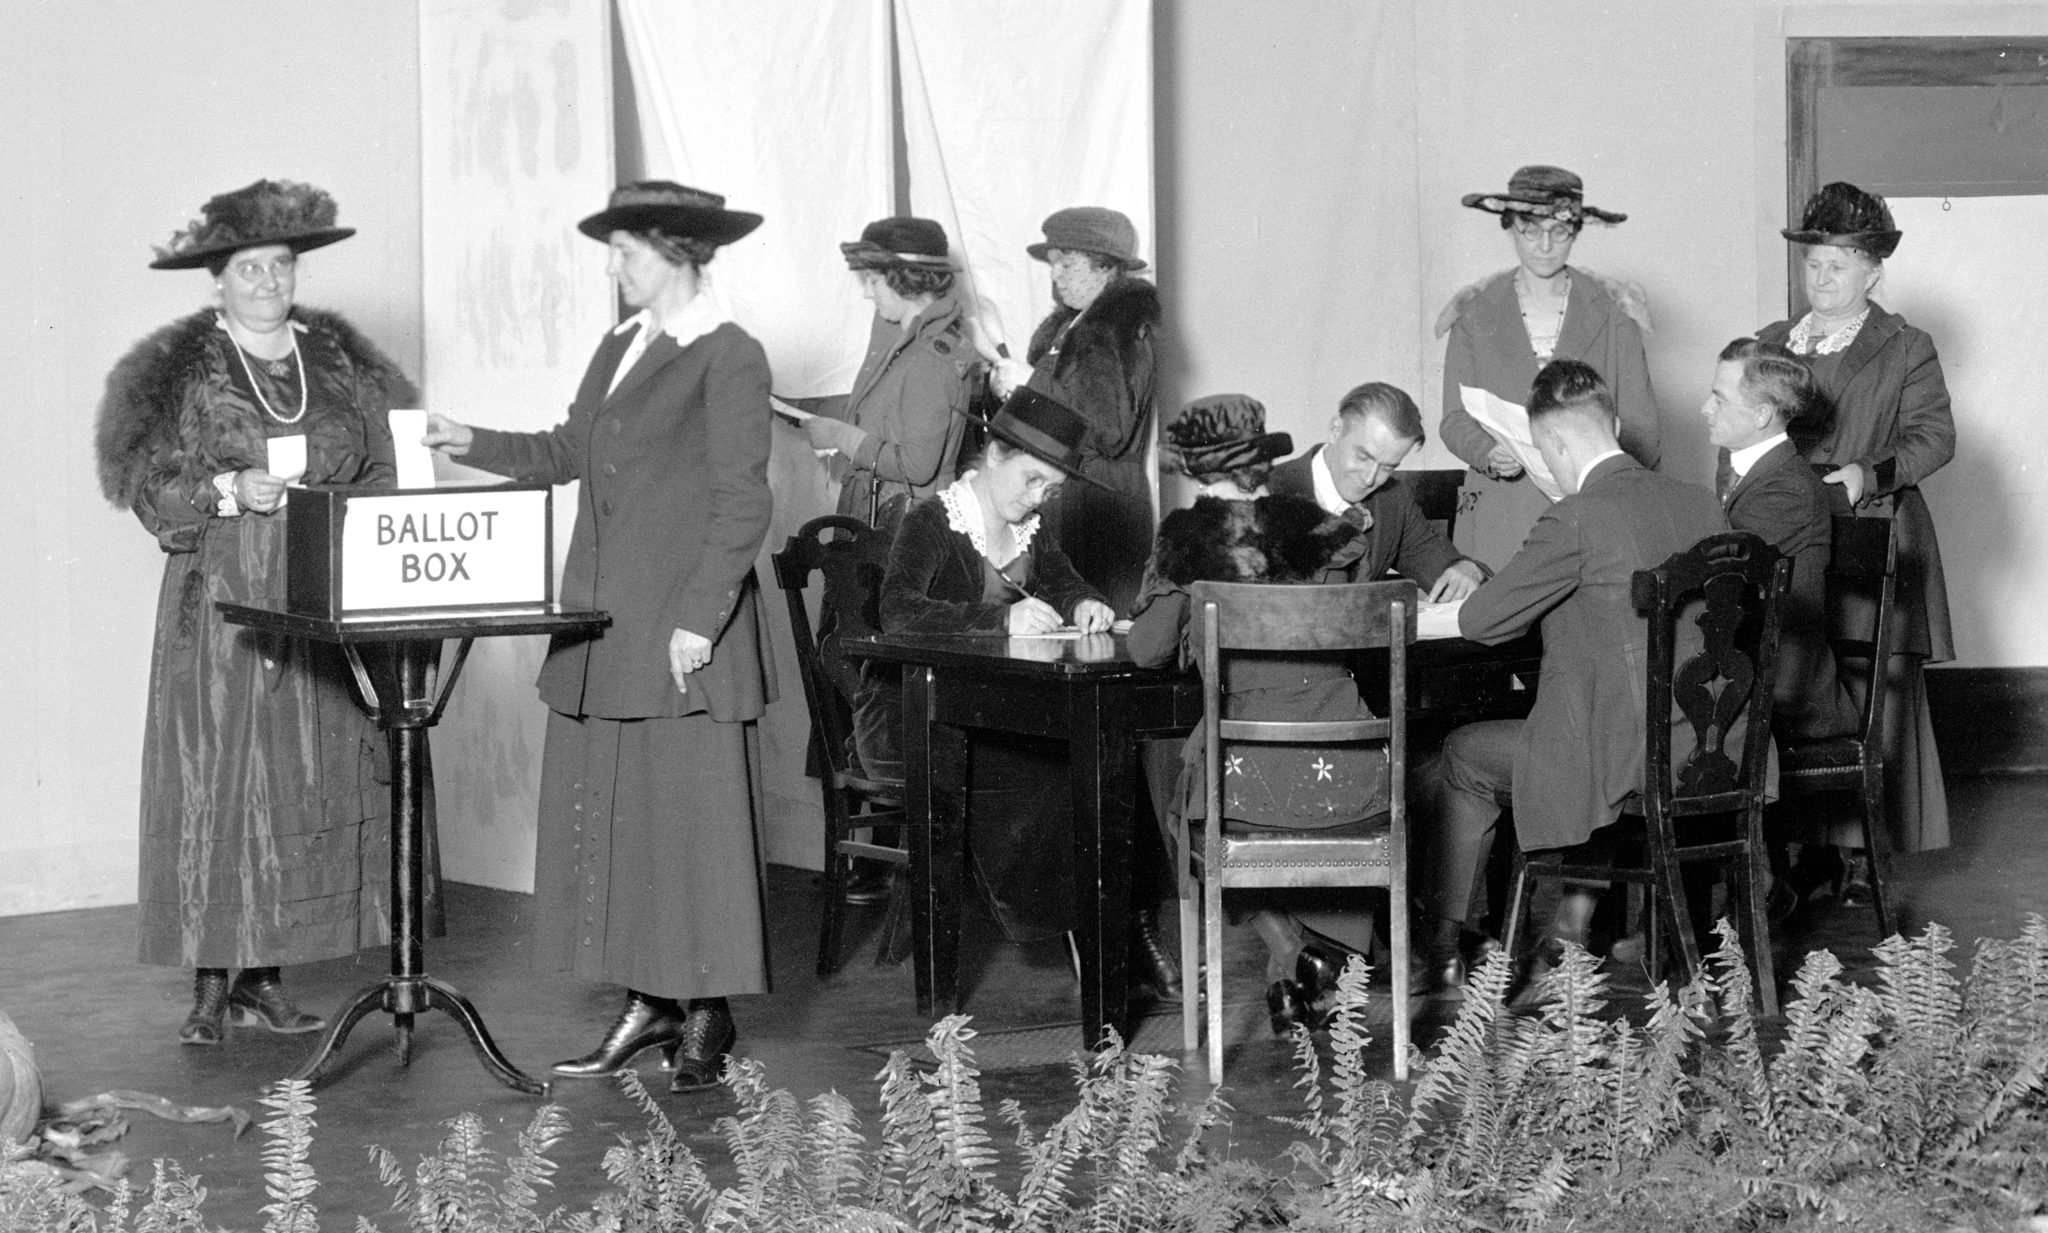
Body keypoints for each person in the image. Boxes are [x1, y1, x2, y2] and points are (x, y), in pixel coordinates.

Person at [422, 181, 775, 1093]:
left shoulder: (729, 355)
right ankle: (651, 1000)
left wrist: (702, 617)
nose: (614, 269)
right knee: (621, 819)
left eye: (627, 252)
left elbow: (743, 500)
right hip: (608, 623)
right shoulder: (622, 345)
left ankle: (707, 1010)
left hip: (682, 628)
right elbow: (567, 449)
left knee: (690, 821)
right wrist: (468, 438)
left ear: (679, 254)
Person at [95, 179, 412, 1045]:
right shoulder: (180, 371)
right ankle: (209, 979)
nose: (268, 282)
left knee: (298, 777)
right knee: (219, 778)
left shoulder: (341, 364)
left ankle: (267, 975)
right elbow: (147, 485)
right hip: (222, 599)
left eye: (280, 266)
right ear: (217, 280)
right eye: (249, 269)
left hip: (320, 590)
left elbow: (387, 471)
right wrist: (229, 489)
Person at [1421, 361, 1724, 982]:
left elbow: (1482, 621)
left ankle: (1443, 947)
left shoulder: (1576, 515)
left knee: (1463, 753)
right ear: (1612, 424)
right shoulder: (1704, 505)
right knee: (1584, 733)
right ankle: (1569, 926)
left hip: (1622, 755)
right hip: (1712, 745)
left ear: (1549, 444)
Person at [1129, 395, 1423, 1032]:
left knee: (1187, 804)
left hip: (1247, 774)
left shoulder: (1187, 539)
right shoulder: (1324, 530)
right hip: (1353, 766)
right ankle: (1312, 959)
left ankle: (1290, 950)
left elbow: (1148, 649)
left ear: (1194, 472)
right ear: (1263, 462)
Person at [877, 389, 1181, 999]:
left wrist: (1086, 602)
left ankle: (1132, 927)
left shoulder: (1033, 529)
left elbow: (1064, 581)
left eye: (1050, 488)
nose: (1037, 497)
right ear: (992, 454)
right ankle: (1100, 947)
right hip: (921, 712)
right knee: (1059, 772)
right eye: (1030, 479)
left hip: (999, 707)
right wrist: (998, 623)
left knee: (1110, 761)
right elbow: (897, 611)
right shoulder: (932, 523)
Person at [1758, 181, 1955, 875]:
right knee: (1803, 674)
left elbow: (1936, 439)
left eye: (1838, 265)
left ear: (1873, 271)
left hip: (1874, 526)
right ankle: (1806, 849)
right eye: (1813, 262)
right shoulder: (1772, 342)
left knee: (1874, 684)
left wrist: (1869, 473)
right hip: (1796, 532)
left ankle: (1866, 850)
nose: (1821, 277)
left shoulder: (1905, 345)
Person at [1437, 166, 1662, 568]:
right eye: (1530, 230)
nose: (1545, 245)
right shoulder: (1475, 312)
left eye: (1558, 232)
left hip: (1591, 516)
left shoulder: (1614, 311)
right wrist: (1488, 452)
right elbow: (1454, 419)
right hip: (1500, 519)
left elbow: (1642, 426)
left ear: (1575, 231)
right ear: (1510, 227)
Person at [990, 207, 1160, 612]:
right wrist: (1014, 392)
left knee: (1094, 633)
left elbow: (1108, 432)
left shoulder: (1115, 330)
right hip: (1073, 497)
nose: (1055, 274)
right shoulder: (1077, 327)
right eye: (1053, 263)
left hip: (1099, 509)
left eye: (1067, 262)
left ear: (1105, 267)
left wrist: (1028, 384)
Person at [1703, 338, 1857, 744]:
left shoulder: (1786, 488)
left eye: (1719, 399)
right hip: (1750, 678)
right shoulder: (1749, 474)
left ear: (1761, 415)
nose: (1705, 409)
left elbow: (1714, 575)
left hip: (1786, 696)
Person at [804, 216, 976, 534]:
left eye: (873, 280)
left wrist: (837, 436)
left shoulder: (928, 359)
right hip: (880, 515)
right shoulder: (902, 343)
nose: (868, 293)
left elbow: (916, 465)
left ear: (901, 279)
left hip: (904, 529)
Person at [1268, 382, 1488, 597]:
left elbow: (1442, 567)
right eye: (1363, 457)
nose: (1368, 478)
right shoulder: (1264, 492)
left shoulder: (1393, 500)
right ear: (1336, 430)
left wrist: (1466, 568)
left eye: (1387, 467)